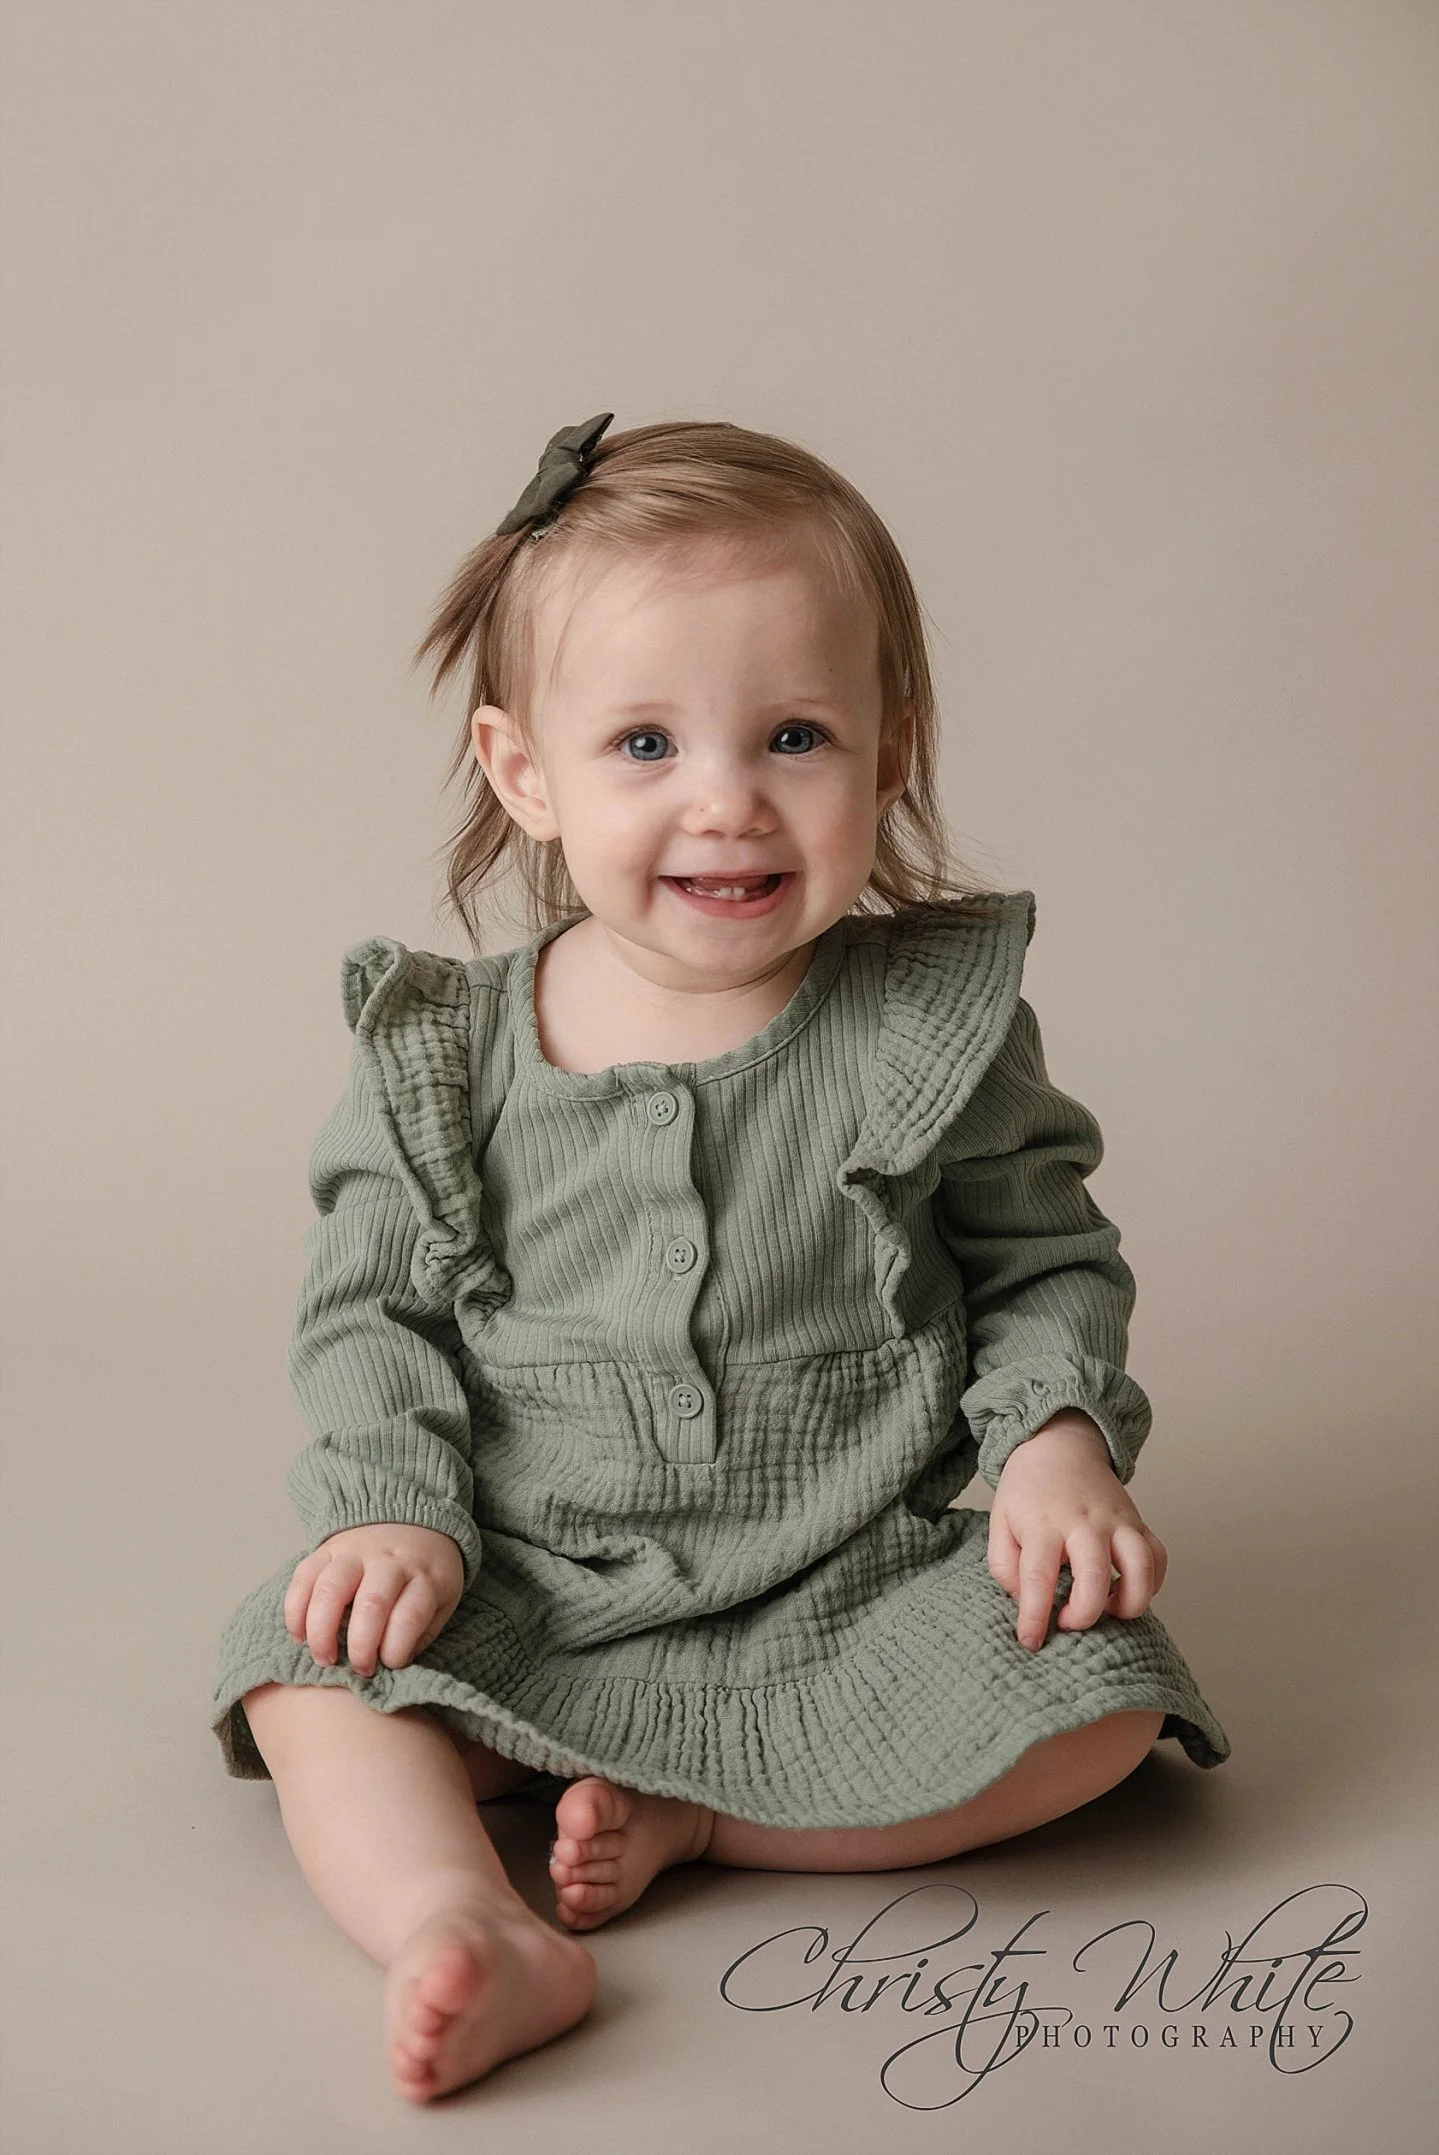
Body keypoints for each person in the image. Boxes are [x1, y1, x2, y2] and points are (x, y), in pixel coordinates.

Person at [210, 412, 1231, 2104]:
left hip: (853, 1574)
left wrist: (1054, 1445)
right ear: (521, 768)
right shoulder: (446, 1054)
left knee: (1108, 1697)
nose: (726, 801)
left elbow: (1042, 1257)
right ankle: (466, 1919)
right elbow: (368, 1310)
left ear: (890, 749)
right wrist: (394, 1501)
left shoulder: (924, 1023)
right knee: (301, 1664)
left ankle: (711, 1817)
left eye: (792, 734)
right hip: (526, 1570)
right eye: (641, 743)